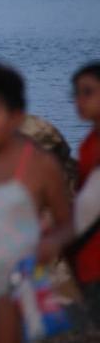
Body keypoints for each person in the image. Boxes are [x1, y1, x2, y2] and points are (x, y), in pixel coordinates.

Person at [0, 61, 72, 343]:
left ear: (16, 116)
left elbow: (68, 223)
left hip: (18, 283)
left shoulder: (40, 165)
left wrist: (49, 244)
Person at [72, 62, 100, 326]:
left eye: (88, 92)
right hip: (89, 264)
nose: (79, 101)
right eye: (76, 94)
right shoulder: (88, 145)